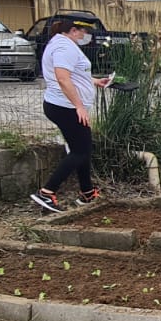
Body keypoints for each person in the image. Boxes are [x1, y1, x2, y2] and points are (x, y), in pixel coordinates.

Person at [31, 18, 113, 213]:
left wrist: (94, 81)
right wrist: (79, 106)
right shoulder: (64, 47)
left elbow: (74, 74)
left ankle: (87, 192)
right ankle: (47, 192)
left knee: (81, 148)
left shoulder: (63, 45)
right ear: (73, 30)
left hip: (63, 106)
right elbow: (62, 78)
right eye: (84, 32)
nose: (86, 36)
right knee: (80, 151)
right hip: (65, 107)